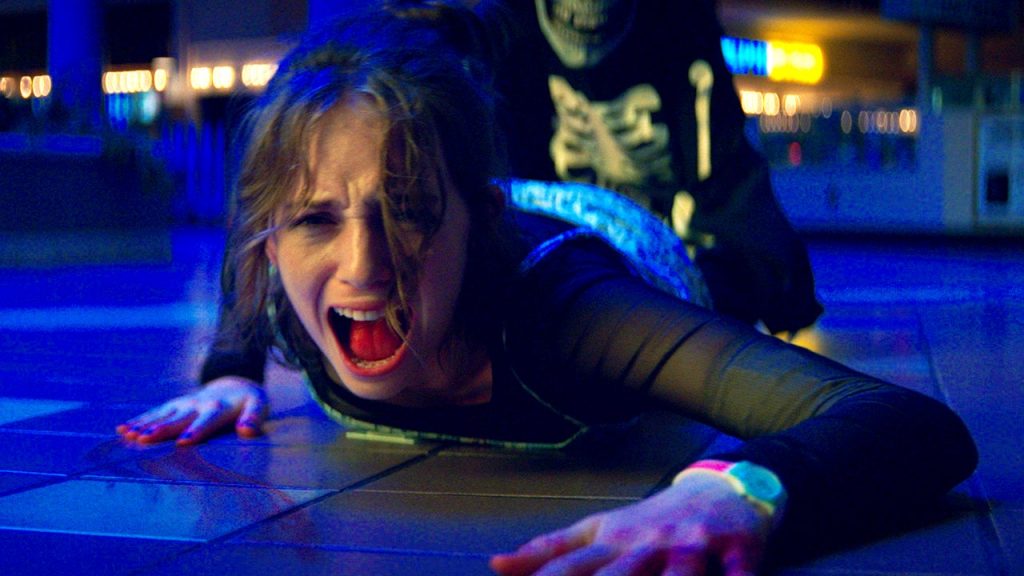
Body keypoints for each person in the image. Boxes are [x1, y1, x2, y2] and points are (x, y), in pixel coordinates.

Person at [117, 2, 977, 574]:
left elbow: (911, 423)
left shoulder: (568, 313)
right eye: (315, 220)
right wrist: (228, 369)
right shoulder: (285, 280)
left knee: (745, 284)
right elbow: (250, 248)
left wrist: (737, 489)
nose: (364, 266)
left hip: (611, 235)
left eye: (408, 211)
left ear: (476, 220)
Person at [476, 0, 824, 335]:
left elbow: (729, 193)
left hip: (669, 285)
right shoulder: (505, 35)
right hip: (559, 282)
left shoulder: (683, 32)